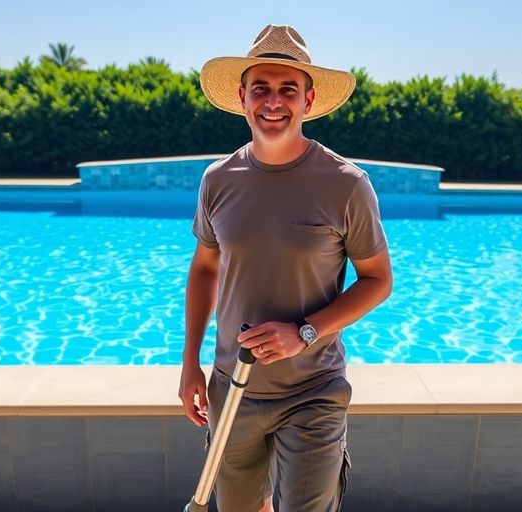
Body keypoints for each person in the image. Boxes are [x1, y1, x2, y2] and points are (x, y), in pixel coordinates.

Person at [179, 24, 393, 512]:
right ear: (242, 97)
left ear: (308, 101)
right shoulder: (218, 180)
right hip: (232, 386)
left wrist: (304, 332)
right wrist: (191, 360)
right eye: (261, 88)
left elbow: (378, 279)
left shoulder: (346, 184)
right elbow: (206, 267)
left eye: (288, 89)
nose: (273, 101)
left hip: (313, 390)